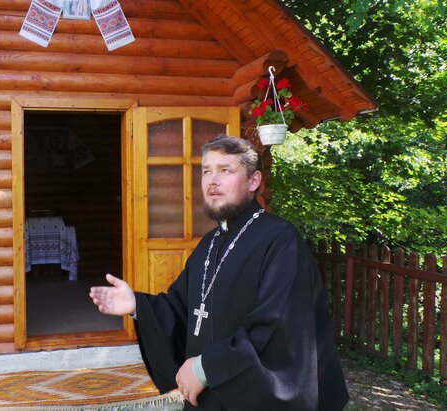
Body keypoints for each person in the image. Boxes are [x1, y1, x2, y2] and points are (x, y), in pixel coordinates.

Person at [89, 135, 348, 410]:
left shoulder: (281, 241)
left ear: (254, 181)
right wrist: (138, 305)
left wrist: (204, 368)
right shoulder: (209, 244)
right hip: (210, 398)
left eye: (225, 170)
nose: (212, 180)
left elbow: (278, 328)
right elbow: (182, 309)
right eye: (206, 171)